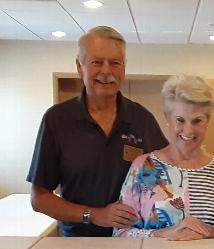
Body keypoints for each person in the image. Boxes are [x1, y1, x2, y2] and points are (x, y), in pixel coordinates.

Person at [26, 26, 168, 236]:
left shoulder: (142, 119)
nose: (106, 71)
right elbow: (39, 199)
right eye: (97, 62)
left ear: (124, 68)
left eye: (115, 63)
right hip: (79, 246)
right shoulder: (57, 120)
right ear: (79, 67)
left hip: (133, 244)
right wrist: (93, 215)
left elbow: (168, 176)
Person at [114, 74, 214, 240]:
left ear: (208, 121)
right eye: (180, 120)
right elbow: (120, 233)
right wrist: (162, 233)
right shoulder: (144, 166)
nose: (188, 130)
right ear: (167, 118)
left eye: (197, 121)